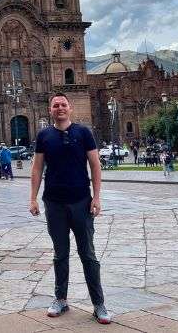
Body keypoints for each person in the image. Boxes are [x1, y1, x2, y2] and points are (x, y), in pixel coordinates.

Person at [29, 92, 110, 325]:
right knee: (60, 254)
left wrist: (97, 197)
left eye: (63, 104)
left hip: (81, 201)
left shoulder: (84, 133)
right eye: (56, 105)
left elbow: (95, 165)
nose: (60, 108)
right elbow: (36, 169)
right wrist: (33, 198)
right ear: (50, 110)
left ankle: (99, 304)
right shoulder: (44, 135)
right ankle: (61, 299)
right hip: (53, 202)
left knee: (88, 255)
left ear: (70, 108)